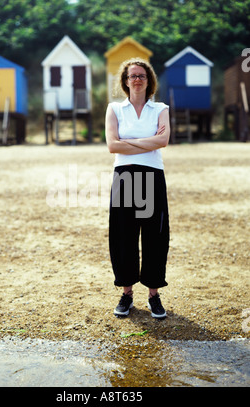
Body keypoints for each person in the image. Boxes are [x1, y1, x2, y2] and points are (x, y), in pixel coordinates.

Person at [105, 58, 170, 318]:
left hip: (152, 175)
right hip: (124, 176)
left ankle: (154, 294)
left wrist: (129, 141)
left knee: (155, 236)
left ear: (149, 79)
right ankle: (127, 293)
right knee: (124, 236)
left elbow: (163, 140)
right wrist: (148, 141)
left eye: (141, 75)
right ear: (125, 81)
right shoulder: (114, 109)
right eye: (132, 76)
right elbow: (112, 145)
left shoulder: (161, 109)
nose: (137, 79)